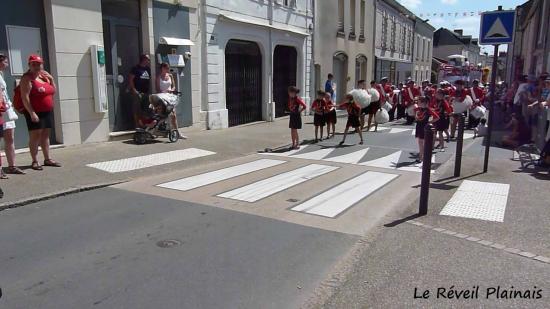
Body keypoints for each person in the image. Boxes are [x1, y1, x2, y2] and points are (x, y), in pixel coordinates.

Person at [20, 54, 61, 170]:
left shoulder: (44, 77)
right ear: (29, 65)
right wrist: (32, 113)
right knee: (35, 136)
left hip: (46, 111)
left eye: (38, 64)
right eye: (34, 64)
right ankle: (34, 161)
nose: (36, 66)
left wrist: (52, 79)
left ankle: (47, 159)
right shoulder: (27, 78)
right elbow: (25, 97)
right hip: (34, 112)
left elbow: (53, 91)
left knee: (45, 135)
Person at [0, 53, 25, 176]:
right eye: (5, 61)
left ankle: (12, 166)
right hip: (1, 111)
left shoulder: (1, 74)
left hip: (7, 110)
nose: (7, 64)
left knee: (10, 139)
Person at [155, 63, 183, 138]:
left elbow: (173, 86)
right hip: (162, 97)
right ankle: (161, 130)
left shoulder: (170, 75)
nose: (168, 69)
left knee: (173, 115)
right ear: (162, 68)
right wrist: (164, 92)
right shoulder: (158, 77)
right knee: (164, 115)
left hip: (170, 97)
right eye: (166, 68)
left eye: (168, 68)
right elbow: (157, 89)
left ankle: (177, 133)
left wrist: (171, 90)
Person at [129, 54, 151, 127]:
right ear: (144, 59)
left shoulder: (147, 69)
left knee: (145, 110)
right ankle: (137, 126)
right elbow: (131, 79)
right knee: (137, 110)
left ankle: (144, 126)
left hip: (146, 93)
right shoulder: (135, 68)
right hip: (137, 92)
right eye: (148, 59)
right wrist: (134, 90)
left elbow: (148, 80)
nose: (149, 61)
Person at [414, 96, 439, 163]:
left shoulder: (428, 109)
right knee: (420, 142)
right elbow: (416, 117)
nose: (417, 103)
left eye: (419, 102)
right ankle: (421, 157)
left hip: (425, 127)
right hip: (419, 126)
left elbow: (437, 117)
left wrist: (429, 122)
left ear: (424, 102)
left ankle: (426, 157)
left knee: (425, 143)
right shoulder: (418, 109)